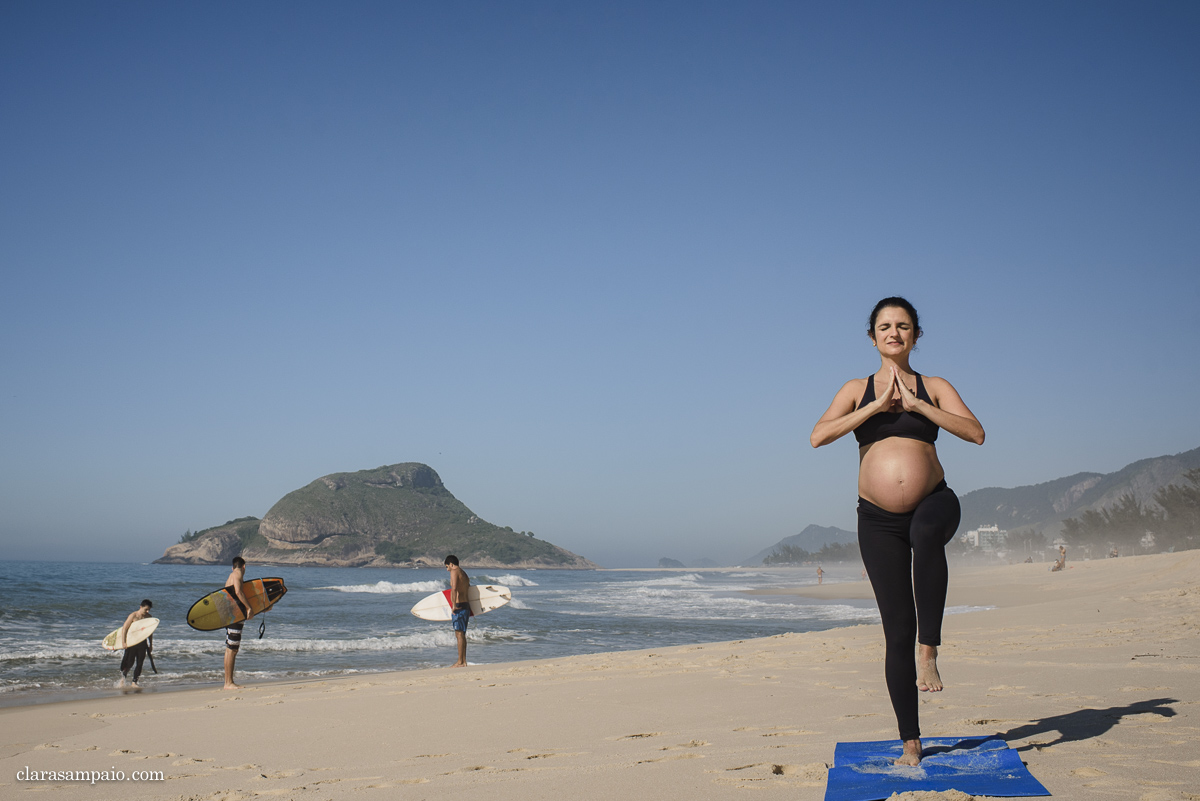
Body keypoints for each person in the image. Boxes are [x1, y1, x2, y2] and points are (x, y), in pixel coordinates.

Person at [811, 297, 984, 766]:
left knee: (927, 535)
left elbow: (975, 432)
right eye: (885, 326)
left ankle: (930, 648)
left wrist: (917, 407)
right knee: (895, 630)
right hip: (877, 519)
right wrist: (871, 411)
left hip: (934, 501)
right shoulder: (856, 388)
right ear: (873, 337)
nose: (894, 333)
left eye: (903, 326)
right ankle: (911, 740)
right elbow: (818, 435)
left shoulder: (935, 386)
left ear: (916, 335)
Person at [223, 556, 254, 689]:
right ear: (244, 566)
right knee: (232, 649)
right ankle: (228, 683)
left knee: (231, 649)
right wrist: (249, 608)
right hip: (234, 615)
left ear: (232, 566)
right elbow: (238, 592)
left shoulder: (231, 574)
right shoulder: (237, 575)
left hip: (230, 615)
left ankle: (228, 682)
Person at [118, 599, 154, 690]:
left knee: (140, 663)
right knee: (129, 662)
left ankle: (134, 682)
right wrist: (123, 642)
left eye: (149, 610)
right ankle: (123, 678)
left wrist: (150, 645)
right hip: (132, 642)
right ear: (140, 607)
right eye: (146, 609)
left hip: (142, 643)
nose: (147, 611)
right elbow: (124, 629)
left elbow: (150, 632)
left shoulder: (149, 617)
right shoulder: (133, 616)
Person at [444, 555, 470, 667]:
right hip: (466, 605)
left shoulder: (454, 571)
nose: (447, 569)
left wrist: (453, 605)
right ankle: (463, 661)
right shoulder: (464, 573)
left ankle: (460, 662)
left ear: (451, 564)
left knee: (458, 634)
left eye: (447, 566)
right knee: (462, 634)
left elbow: (454, 588)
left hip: (459, 606)